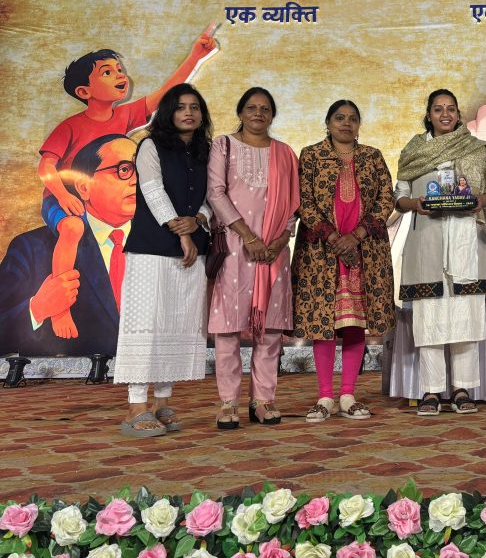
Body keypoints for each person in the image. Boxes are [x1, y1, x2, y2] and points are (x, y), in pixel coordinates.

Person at [36, 29, 217, 340]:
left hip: (105, 196)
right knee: (73, 228)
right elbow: (45, 167)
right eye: (107, 72)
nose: (120, 75)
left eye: (119, 69)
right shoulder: (70, 126)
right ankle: (61, 309)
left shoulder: (124, 116)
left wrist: (195, 57)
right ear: (84, 91)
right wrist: (62, 195)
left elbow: (165, 93)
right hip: (64, 196)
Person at [113, 84, 213, 437]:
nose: (189, 113)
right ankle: (136, 405)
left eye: (195, 107)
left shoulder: (205, 151)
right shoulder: (150, 146)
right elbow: (153, 191)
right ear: (168, 112)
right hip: (152, 247)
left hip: (192, 250)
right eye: (181, 107)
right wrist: (181, 231)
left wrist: (198, 220)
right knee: (147, 324)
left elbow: (211, 197)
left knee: (176, 322)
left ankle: (161, 402)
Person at [394, 89, 486, 416]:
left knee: (466, 315)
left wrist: (481, 201)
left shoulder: (475, 148)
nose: (445, 114)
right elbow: (400, 195)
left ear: (458, 114)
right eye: (438, 109)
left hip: (467, 237)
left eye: (451, 108)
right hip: (427, 239)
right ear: (428, 115)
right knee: (429, 317)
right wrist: (415, 204)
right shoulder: (414, 150)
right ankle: (431, 390)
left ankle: (462, 389)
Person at [292, 99, 396, 422]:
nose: (346, 123)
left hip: (366, 253)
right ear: (328, 122)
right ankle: (325, 396)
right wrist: (334, 238)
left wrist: (358, 235)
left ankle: (348, 394)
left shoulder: (372, 156)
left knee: (355, 323)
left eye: (353, 118)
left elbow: (386, 198)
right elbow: (303, 201)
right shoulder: (311, 155)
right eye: (339, 117)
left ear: (359, 125)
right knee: (323, 324)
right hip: (321, 254)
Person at [207, 87, 299, 428]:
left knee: (270, 329)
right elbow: (215, 193)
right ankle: (228, 402)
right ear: (240, 112)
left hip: (274, 250)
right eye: (251, 107)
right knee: (228, 328)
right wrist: (248, 236)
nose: (258, 113)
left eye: (265, 109)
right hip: (235, 246)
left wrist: (280, 240)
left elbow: (293, 205)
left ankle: (262, 399)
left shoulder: (285, 153)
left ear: (272, 115)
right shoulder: (223, 145)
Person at [0, 135, 137, 356]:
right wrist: (37, 309)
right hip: (68, 377)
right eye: (124, 170)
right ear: (84, 187)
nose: (137, 180)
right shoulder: (31, 249)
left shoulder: (169, 245)